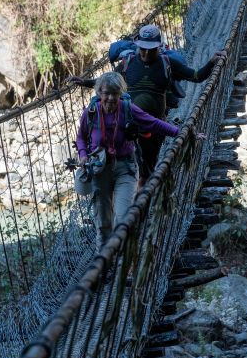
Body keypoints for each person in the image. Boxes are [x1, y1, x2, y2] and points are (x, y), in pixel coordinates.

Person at [76, 71, 180, 252]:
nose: (110, 98)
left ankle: (120, 264)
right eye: (106, 93)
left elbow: (153, 123)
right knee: (103, 224)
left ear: (121, 94)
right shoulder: (91, 112)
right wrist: (83, 154)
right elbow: (80, 138)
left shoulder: (127, 108)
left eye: (115, 93)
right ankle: (104, 270)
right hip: (99, 169)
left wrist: (180, 132)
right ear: (99, 93)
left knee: (123, 219)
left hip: (125, 168)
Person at [114, 24, 226, 182]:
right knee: (127, 166)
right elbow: (108, 84)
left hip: (155, 126)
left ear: (159, 47)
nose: (146, 52)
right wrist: (84, 82)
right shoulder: (128, 62)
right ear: (138, 45)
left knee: (148, 168)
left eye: (151, 49)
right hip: (128, 124)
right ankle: (133, 198)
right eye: (143, 48)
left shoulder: (168, 63)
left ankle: (144, 199)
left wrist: (211, 62)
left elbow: (196, 76)